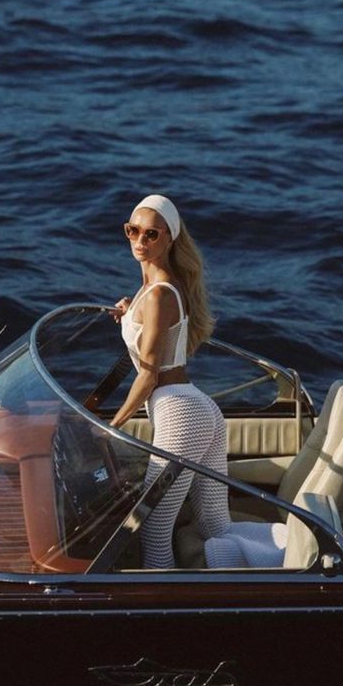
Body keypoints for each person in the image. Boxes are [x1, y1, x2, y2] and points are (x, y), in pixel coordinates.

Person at [109, 194, 231, 568]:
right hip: (197, 407)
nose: (140, 242)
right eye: (133, 231)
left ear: (169, 239)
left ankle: (159, 612)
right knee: (214, 524)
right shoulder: (156, 289)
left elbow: (148, 375)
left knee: (152, 528)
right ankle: (249, 582)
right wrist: (131, 314)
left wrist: (110, 426)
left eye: (151, 235)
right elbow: (156, 325)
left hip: (180, 414)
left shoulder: (160, 294)